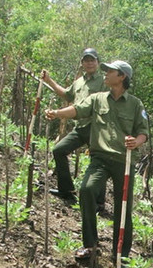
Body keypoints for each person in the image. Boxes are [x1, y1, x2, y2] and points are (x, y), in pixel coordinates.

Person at [45, 60, 149, 261]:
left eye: (110, 71)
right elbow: (77, 109)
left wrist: (136, 142)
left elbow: (143, 132)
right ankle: (90, 245)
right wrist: (57, 114)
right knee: (86, 190)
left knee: (123, 207)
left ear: (122, 77)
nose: (106, 74)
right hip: (99, 158)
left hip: (123, 162)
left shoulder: (135, 104)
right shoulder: (98, 98)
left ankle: (121, 254)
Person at [41, 48, 108, 206]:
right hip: (80, 127)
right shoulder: (79, 82)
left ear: (97, 62)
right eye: (86, 60)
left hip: (96, 127)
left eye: (92, 60)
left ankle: (98, 202)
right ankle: (67, 191)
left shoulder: (104, 81)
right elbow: (67, 94)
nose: (89, 63)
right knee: (59, 150)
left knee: (97, 161)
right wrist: (49, 80)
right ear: (82, 63)